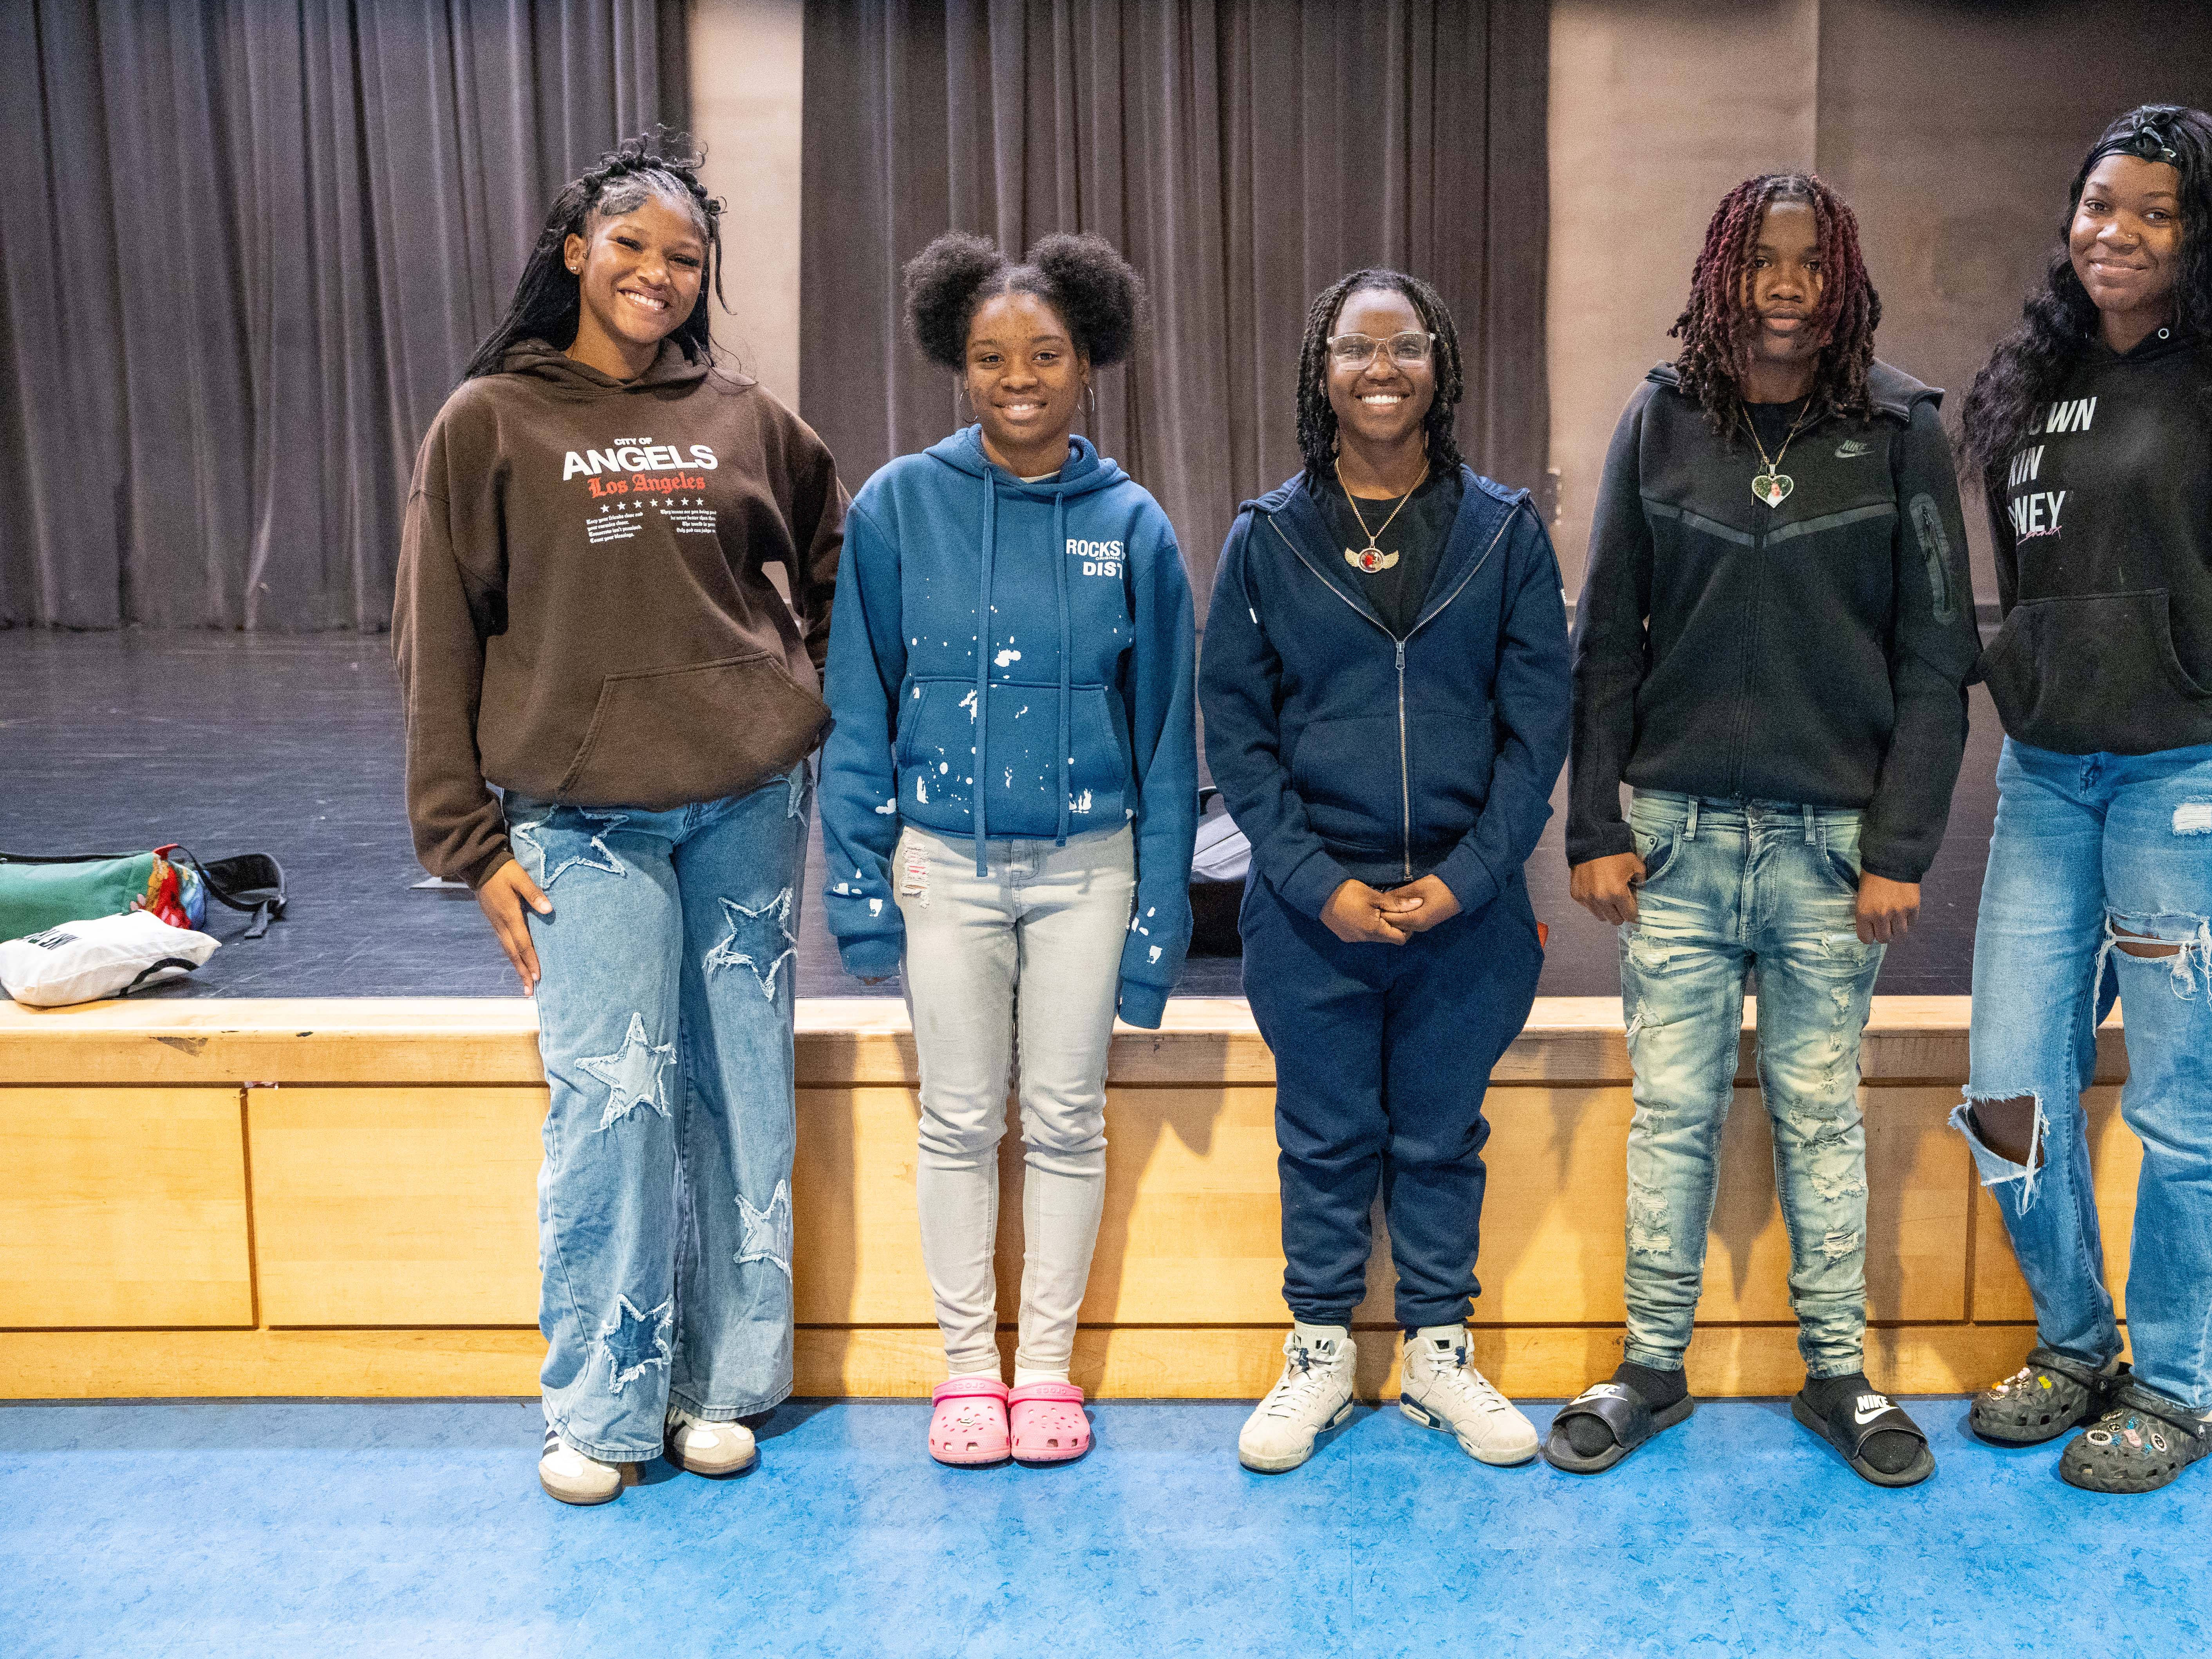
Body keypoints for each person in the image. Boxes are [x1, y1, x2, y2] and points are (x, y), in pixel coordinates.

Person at [395, 132, 846, 1506]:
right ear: (577, 252)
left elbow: (833, 549)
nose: (659, 272)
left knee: (743, 1101)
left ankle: (725, 1387)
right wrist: (466, 845)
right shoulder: (491, 421)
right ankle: (596, 1408)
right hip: (582, 820)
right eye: (634, 246)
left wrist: (789, 680)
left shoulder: (744, 417)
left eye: (685, 257)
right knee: (611, 1104)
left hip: (746, 808)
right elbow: (437, 642)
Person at [1951, 104, 2212, 1493]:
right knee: (2009, 1086)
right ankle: (2077, 1345)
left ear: (2205, 237)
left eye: (2153, 213)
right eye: (2097, 206)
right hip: (2055, 776)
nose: (2115, 233)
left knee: (2180, 1103)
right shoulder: (2037, 382)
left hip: (2209, 771)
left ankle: (2181, 1384)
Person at [1555, 172, 1981, 1487]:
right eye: (1763, 262)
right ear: (1724, 275)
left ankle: (1840, 1376)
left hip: (1830, 852)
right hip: (1676, 841)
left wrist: (1902, 845)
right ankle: (1651, 1367)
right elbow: (1606, 635)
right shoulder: (1661, 419)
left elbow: (1935, 656)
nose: (1787, 285)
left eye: (1810, 262)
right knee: (1671, 1115)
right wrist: (1594, 821)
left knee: (1820, 1115)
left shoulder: (1901, 428)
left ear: (1841, 275)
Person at [819, 233, 1196, 1468]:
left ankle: (1047, 1375)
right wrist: (864, 893)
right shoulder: (896, 508)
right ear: (956, 364)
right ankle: (967, 1373)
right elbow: (860, 710)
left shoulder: (1133, 525)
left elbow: (1165, 741)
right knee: (960, 1119)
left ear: (1089, 361)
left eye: (1043, 354)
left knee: (1068, 1119)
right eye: (990, 357)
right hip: (946, 866)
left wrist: (1158, 928)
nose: (1017, 377)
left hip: (1090, 869)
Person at [1200, 268, 1570, 1474]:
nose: (1381, 369)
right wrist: (1319, 884)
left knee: (1439, 1137)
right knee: (1324, 1135)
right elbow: (1238, 738)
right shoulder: (1266, 540)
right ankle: (1318, 1353)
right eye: (1357, 349)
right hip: (1313, 913)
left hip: (1469, 911)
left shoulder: (1503, 533)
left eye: (1405, 346)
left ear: (1439, 367)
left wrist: (1469, 877)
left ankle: (1436, 1355)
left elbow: (1538, 729)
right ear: (1323, 369)